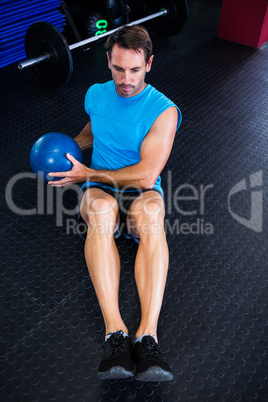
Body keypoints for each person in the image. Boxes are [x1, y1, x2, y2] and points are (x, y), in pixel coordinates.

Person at [48, 25, 182, 382]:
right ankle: (116, 334)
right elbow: (94, 128)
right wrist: (68, 151)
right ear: (108, 61)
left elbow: (144, 175)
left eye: (135, 70)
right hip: (100, 191)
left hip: (138, 191)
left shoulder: (163, 110)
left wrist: (87, 173)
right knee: (101, 211)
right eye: (119, 69)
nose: (126, 79)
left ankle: (147, 337)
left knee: (152, 215)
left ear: (149, 64)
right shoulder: (95, 94)